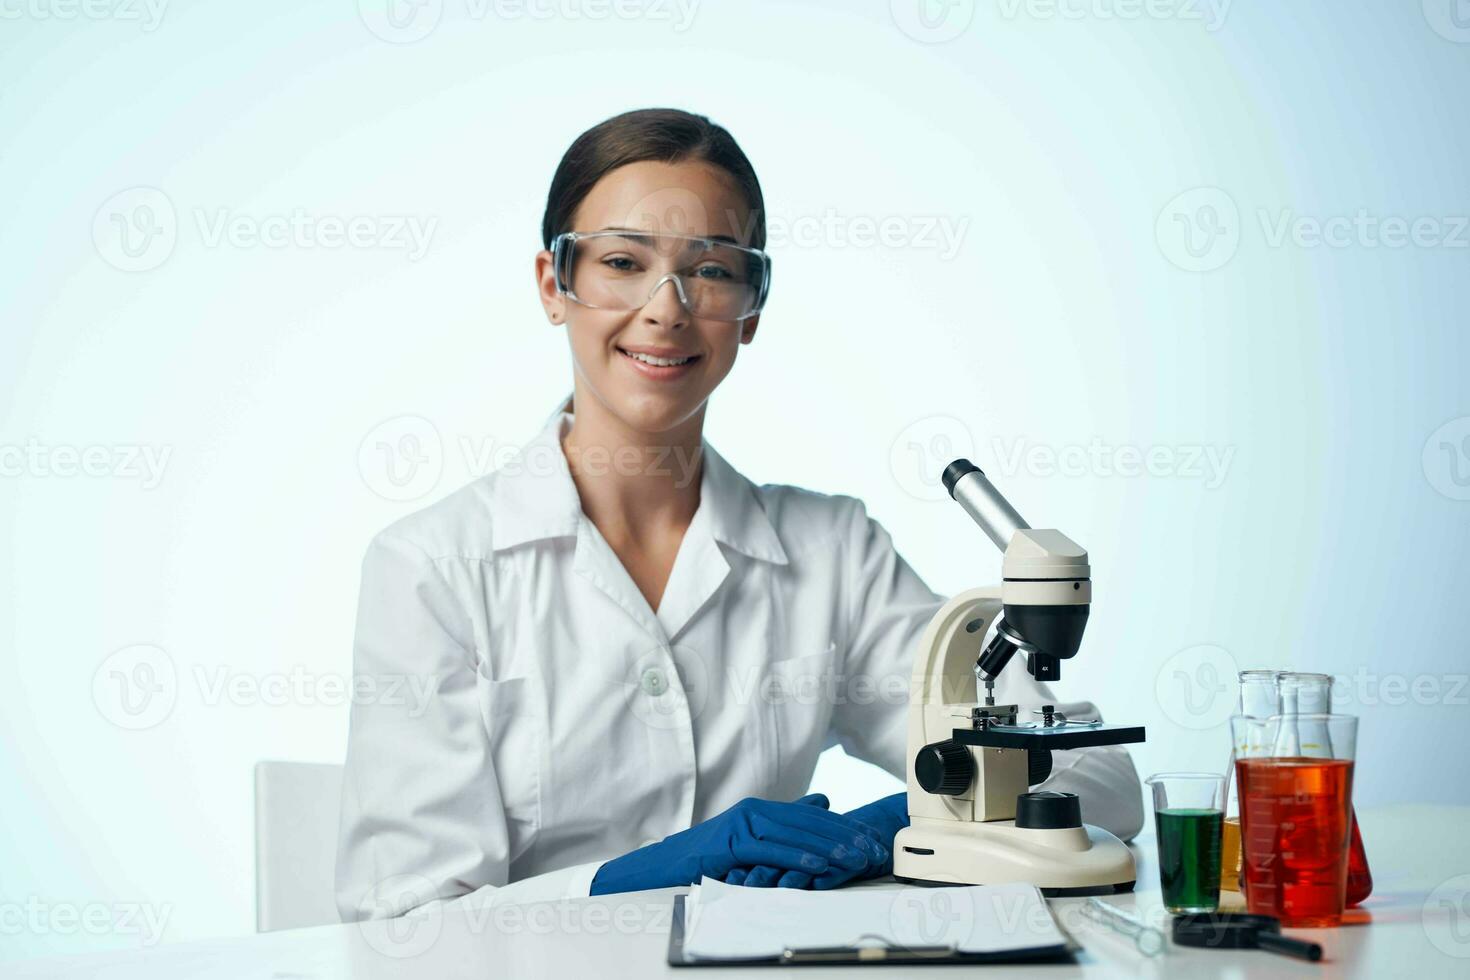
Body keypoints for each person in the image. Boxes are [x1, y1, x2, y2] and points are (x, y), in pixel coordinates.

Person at [335, 107, 1142, 922]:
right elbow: (403, 925)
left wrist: (897, 822)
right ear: (556, 285)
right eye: (622, 261)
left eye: (713, 271)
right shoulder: (434, 568)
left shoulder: (833, 553)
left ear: (752, 305)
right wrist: (638, 877)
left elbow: (1099, 780)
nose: (667, 308)